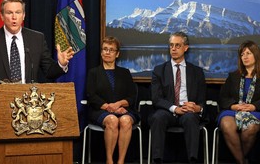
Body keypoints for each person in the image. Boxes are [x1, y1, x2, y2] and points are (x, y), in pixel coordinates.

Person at [0, 0, 74, 84]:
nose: (14, 17)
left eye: (18, 12)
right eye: (9, 13)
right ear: (2, 16)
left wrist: (61, 64)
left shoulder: (37, 39)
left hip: (28, 102)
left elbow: (49, 72)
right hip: (0, 100)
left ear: (23, 15)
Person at [149, 31, 206, 164]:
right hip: (168, 110)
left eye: (177, 46)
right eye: (171, 45)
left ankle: (193, 160)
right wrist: (174, 108)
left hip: (188, 111)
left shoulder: (197, 72)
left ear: (185, 48)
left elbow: (202, 100)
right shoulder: (159, 70)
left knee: (191, 118)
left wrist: (198, 108)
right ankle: (157, 160)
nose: (173, 49)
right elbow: (156, 99)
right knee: (157, 117)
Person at [86, 36, 140, 164]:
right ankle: (109, 161)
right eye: (105, 49)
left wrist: (119, 104)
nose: (107, 52)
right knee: (112, 120)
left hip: (124, 110)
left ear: (117, 54)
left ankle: (120, 161)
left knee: (126, 121)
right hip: (100, 111)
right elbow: (91, 95)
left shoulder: (125, 73)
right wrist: (108, 107)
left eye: (111, 50)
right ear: (101, 52)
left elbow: (132, 96)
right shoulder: (93, 73)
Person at [217, 40, 260, 164]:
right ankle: (242, 161)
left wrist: (254, 106)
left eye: (248, 53)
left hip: (255, 112)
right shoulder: (233, 76)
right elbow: (223, 97)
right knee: (226, 124)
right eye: (242, 54)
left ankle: (240, 159)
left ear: (256, 55)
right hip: (233, 111)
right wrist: (233, 105)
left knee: (251, 127)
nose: (245, 57)